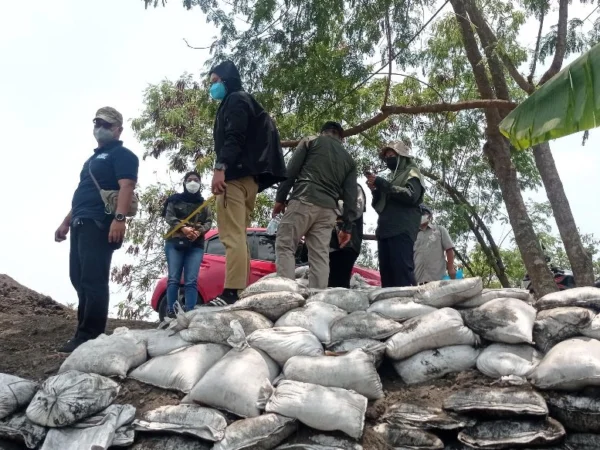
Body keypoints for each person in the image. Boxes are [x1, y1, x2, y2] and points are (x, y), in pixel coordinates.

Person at [54, 107, 139, 353]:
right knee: (78, 277)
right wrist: (66, 221)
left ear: (118, 130)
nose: (100, 127)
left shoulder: (122, 155)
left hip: (100, 223)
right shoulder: (91, 160)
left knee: (93, 279)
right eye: (97, 122)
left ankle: (90, 335)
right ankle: (83, 330)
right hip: (81, 221)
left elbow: (127, 186)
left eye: (106, 124)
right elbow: (83, 194)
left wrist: (119, 219)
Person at [207, 60, 287, 305]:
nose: (212, 88)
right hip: (249, 182)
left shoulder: (234, 100)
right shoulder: (247, 101)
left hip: (234, 179)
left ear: (227, 81)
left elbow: (234, 136)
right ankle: (237, 290)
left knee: (231, 237)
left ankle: (232, 291)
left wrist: (220, 168)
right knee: (239, 235)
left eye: (215, 82)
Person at [273, 121, 358, 289]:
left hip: (304, 199)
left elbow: (290, 171)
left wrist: (280, 198)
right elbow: (351, 197)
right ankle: (317, 300)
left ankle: (286, 293)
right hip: (328, 211)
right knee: (319, 256)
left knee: (285, 244)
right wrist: (347, 227)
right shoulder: (349, 160)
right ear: (341, 138)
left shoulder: (311, 141)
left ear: (323, 132)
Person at [367, 141, 424, 287]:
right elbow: (380, 206)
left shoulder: (412, 172)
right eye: (386, 157)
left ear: (402, 157)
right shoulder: (393, 177)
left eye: (392, 155)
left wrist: (383, 184)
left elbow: (411, 196)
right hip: (385, 231)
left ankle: (408, 307)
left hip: (401, 230)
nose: (388, 159)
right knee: (387, 277)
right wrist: (376, 190)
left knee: (402, 274)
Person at [162, 171, 213, 317]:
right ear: (184, 183)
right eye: (189, 180)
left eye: (196, 180)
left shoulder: (203, 204)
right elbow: (169, 216)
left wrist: (199, 231)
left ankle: (190, 312)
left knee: (191, 280)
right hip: (175, 241)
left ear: (200, 183)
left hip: (195, 245)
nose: (192, 183)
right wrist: (183, 228)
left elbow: (209, 221)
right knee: (173, 279)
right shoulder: (174, 200)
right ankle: (171, 311)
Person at [328, 184, 367, 288]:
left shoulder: (355, 188)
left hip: (348, 244)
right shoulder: (330, 188)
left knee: (339, 284)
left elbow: (355, 210)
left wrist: (330, 207)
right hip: (330, 246)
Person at [414, 204, 456, 285]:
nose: (421, 216)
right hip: (418, 281)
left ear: (430, 215)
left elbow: (449, 249)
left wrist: (451, 268)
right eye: (418, 213)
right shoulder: (413, 234)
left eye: (424, 213)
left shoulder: (439, 230)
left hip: (437, 280)